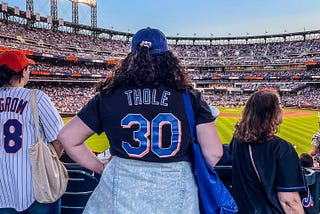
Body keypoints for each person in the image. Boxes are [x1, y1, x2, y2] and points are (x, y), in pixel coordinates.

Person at [57, 27, 223, 213]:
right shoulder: (190, 98)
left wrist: (101, 167)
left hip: (122, 193)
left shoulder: (109, 96)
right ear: (168, 59)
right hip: (175, 193)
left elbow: (68, 137)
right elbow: (214, 153)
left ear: (131, 58)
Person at [0, 50, 64, 213]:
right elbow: (59, 140)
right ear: (21, 72)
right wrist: (49, 160)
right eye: (28, 68)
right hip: (37, 188)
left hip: (2, 191)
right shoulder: (37, 97)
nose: (29, 72)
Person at [230, 90, 305, 214]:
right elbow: (289, 202)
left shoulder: (237, 141)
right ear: (271, 112)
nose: (282, 109)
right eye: (280, 105)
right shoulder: (283, 148)